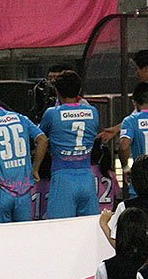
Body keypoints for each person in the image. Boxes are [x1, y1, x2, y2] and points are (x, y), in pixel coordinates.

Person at [0, 92, 45, 223]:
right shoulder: (20, 117)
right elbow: (42, 139)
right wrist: (35, 169)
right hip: (24, 190)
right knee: (23, 233)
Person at [36, 71, 100, 218]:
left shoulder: (52, 113)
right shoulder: (93, 112)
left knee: (60, 228)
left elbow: (39, 138)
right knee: (89, 226)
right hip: (87, 177)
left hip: (63, 177)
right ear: (79, 90)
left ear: (57, 91)